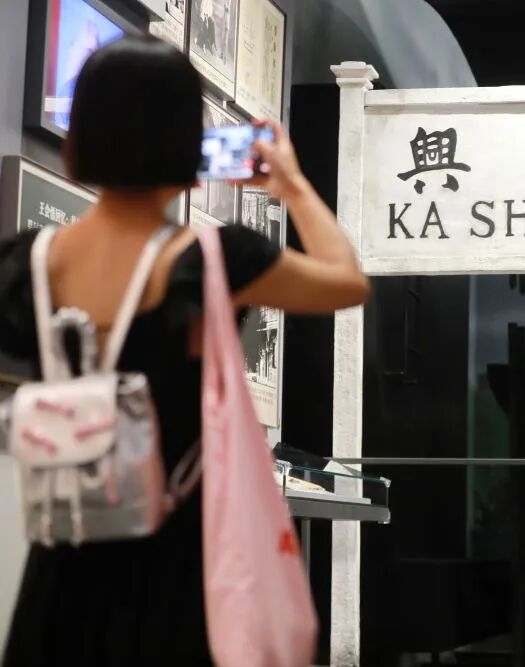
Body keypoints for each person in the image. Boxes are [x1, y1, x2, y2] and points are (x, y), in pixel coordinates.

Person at [0, 35, 368, 666]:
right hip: (181, 564)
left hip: (63, 564)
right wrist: (293, 186)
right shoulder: (214, 261)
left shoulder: (25, 264)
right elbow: (347, 282)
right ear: (185, 144)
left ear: (79, 136)